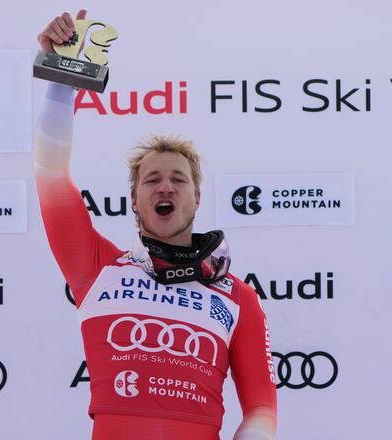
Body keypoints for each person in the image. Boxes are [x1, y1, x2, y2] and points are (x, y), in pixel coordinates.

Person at [34, 10, 277, 440]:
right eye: (152, 180)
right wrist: (60, 79)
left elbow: (261, 408)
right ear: (134, 199)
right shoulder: (97, 267)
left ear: (196, 198)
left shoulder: (239, 298)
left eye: (178, 180)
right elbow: (51, 174)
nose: (166, 187)